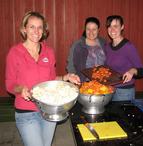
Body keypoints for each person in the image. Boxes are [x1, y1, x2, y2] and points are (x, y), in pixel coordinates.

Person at [5, 11, 80, 146]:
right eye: (32, 27)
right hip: (26, 111)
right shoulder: (15, 53)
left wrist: (66, 77)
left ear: (44, 30)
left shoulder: (49, 52)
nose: (36, 31)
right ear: (24, 29)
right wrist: (21, 89)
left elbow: (50, 81)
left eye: (40, 27)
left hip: (49, 111)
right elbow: (9, 84)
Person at [105, 15, 143, 101]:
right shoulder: (108, 47)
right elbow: (109, 67)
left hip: (124, 92)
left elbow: (142, 71)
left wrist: (131, 71)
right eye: (109, 26)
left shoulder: (128, 47)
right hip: (109, 89)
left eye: (115, 26)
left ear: (122, 27)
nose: (112, 30)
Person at [66, 17, 106, 82]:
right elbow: (70, 65)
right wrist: (74, 78)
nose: (91, 32)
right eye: (88, 29)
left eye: (94, 29)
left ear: (98, 30)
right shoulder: (78, 44)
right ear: (85, 29)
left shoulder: (103, 43)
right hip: (84, 84)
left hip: (103, 82)